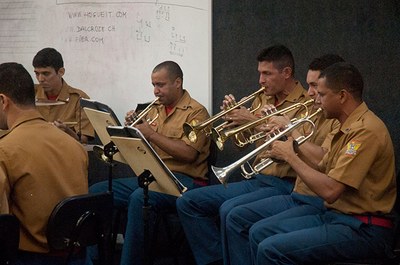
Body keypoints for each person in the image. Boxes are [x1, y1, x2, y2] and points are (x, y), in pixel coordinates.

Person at [248, 62, 396, 264]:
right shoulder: (345, 125)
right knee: (259, 232)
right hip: (337, 217)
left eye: (322, 94)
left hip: (364, 228)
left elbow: (331, 191)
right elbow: (321, 164)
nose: (315, 98)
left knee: (270, 248)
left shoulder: (366, 131)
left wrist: (290, 156)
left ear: (342, 96)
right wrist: (290, 147)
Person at [176, 44, 310, 265]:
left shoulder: (306, 104)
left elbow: (294, 147)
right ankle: (217, 260)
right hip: (258, 179)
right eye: (259, 73)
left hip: (284, 182)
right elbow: (242, 146)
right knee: (188, 202)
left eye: (267, 73)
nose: (260, 80)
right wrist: (234, 122)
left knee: (230, 211)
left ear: (286, 73)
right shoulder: (262, 99)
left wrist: (252, 122)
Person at [223, 54, 344, 265]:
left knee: (255, 231)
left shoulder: (338, 121)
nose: (310, 93)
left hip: (309, 196)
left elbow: (324, 162)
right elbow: (256, 144)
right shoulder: (313, 112)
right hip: (296, 190)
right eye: (310, 86)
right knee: (233, 215)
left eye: (316, 87)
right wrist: (272, 141)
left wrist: (288, 134)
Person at [87, 61, 211, 265]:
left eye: (161, 85)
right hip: (154, 176)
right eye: (153, 85)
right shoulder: (153, 110)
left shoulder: (196, 112)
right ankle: (94, 261)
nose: (155, 91)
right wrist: (131, 133)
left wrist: (151, 134)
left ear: (177, 82)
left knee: (139, 197)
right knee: (98, 192)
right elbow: (139, 150)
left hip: (185, 181)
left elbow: (189, 154)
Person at [0, 62, 89, 264]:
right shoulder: (74, 146)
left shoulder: (5, 151)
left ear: (3, 101)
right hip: (75, 257)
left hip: (29, 258)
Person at [33, 47, 94, 144]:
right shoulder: (29, 95)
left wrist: (67, 131)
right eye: (37, 73)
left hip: (65, 153)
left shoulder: (79, 99)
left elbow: (83, 141)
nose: (40, 79)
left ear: (61, 72)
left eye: (46, 73)